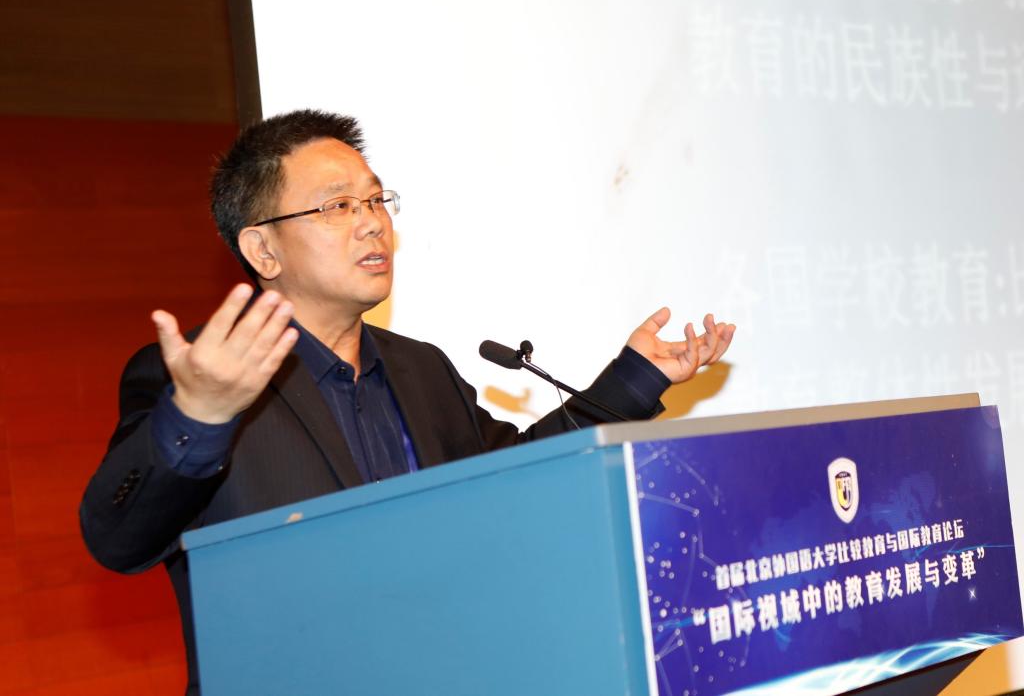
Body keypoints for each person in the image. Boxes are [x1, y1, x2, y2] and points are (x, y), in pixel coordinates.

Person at [79, 109, 735, 694]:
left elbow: (520, 480)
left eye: (376, 200)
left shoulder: (421, 369)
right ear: (263, 249)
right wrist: (199, 416)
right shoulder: (197, 376)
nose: (372, 223)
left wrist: (634, 380)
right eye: (338, 206)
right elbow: (118, 540)